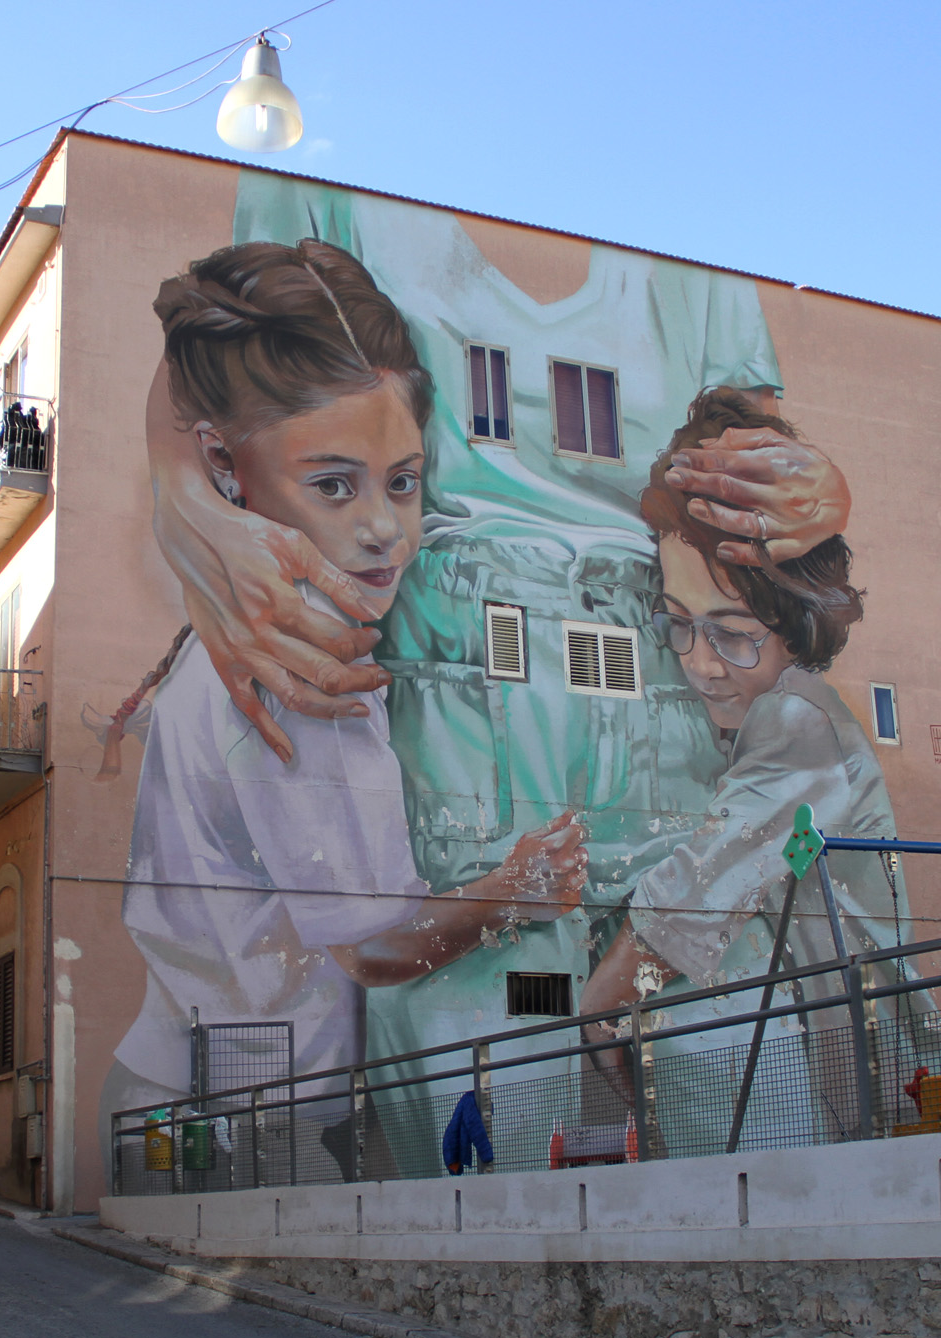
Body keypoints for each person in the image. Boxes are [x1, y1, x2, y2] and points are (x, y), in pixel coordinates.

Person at [111, 240, 587, 1133]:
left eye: (401, 483)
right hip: (249, 1120)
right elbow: (373, 949)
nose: (382, 529)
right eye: (333, 485)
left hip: (187, 1087)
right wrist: (518, 888)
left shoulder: (230, 629)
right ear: (225, 469)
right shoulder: (303, 668)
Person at [576, 387, 916, 1153]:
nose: (700, 664)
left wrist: (601, 1006)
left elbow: (704, 885)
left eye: (731, 633)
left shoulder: (799, 718)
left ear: (797, 624)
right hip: (829, 1093)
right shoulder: (750, 719)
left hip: (841, 1099)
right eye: (680, 624)